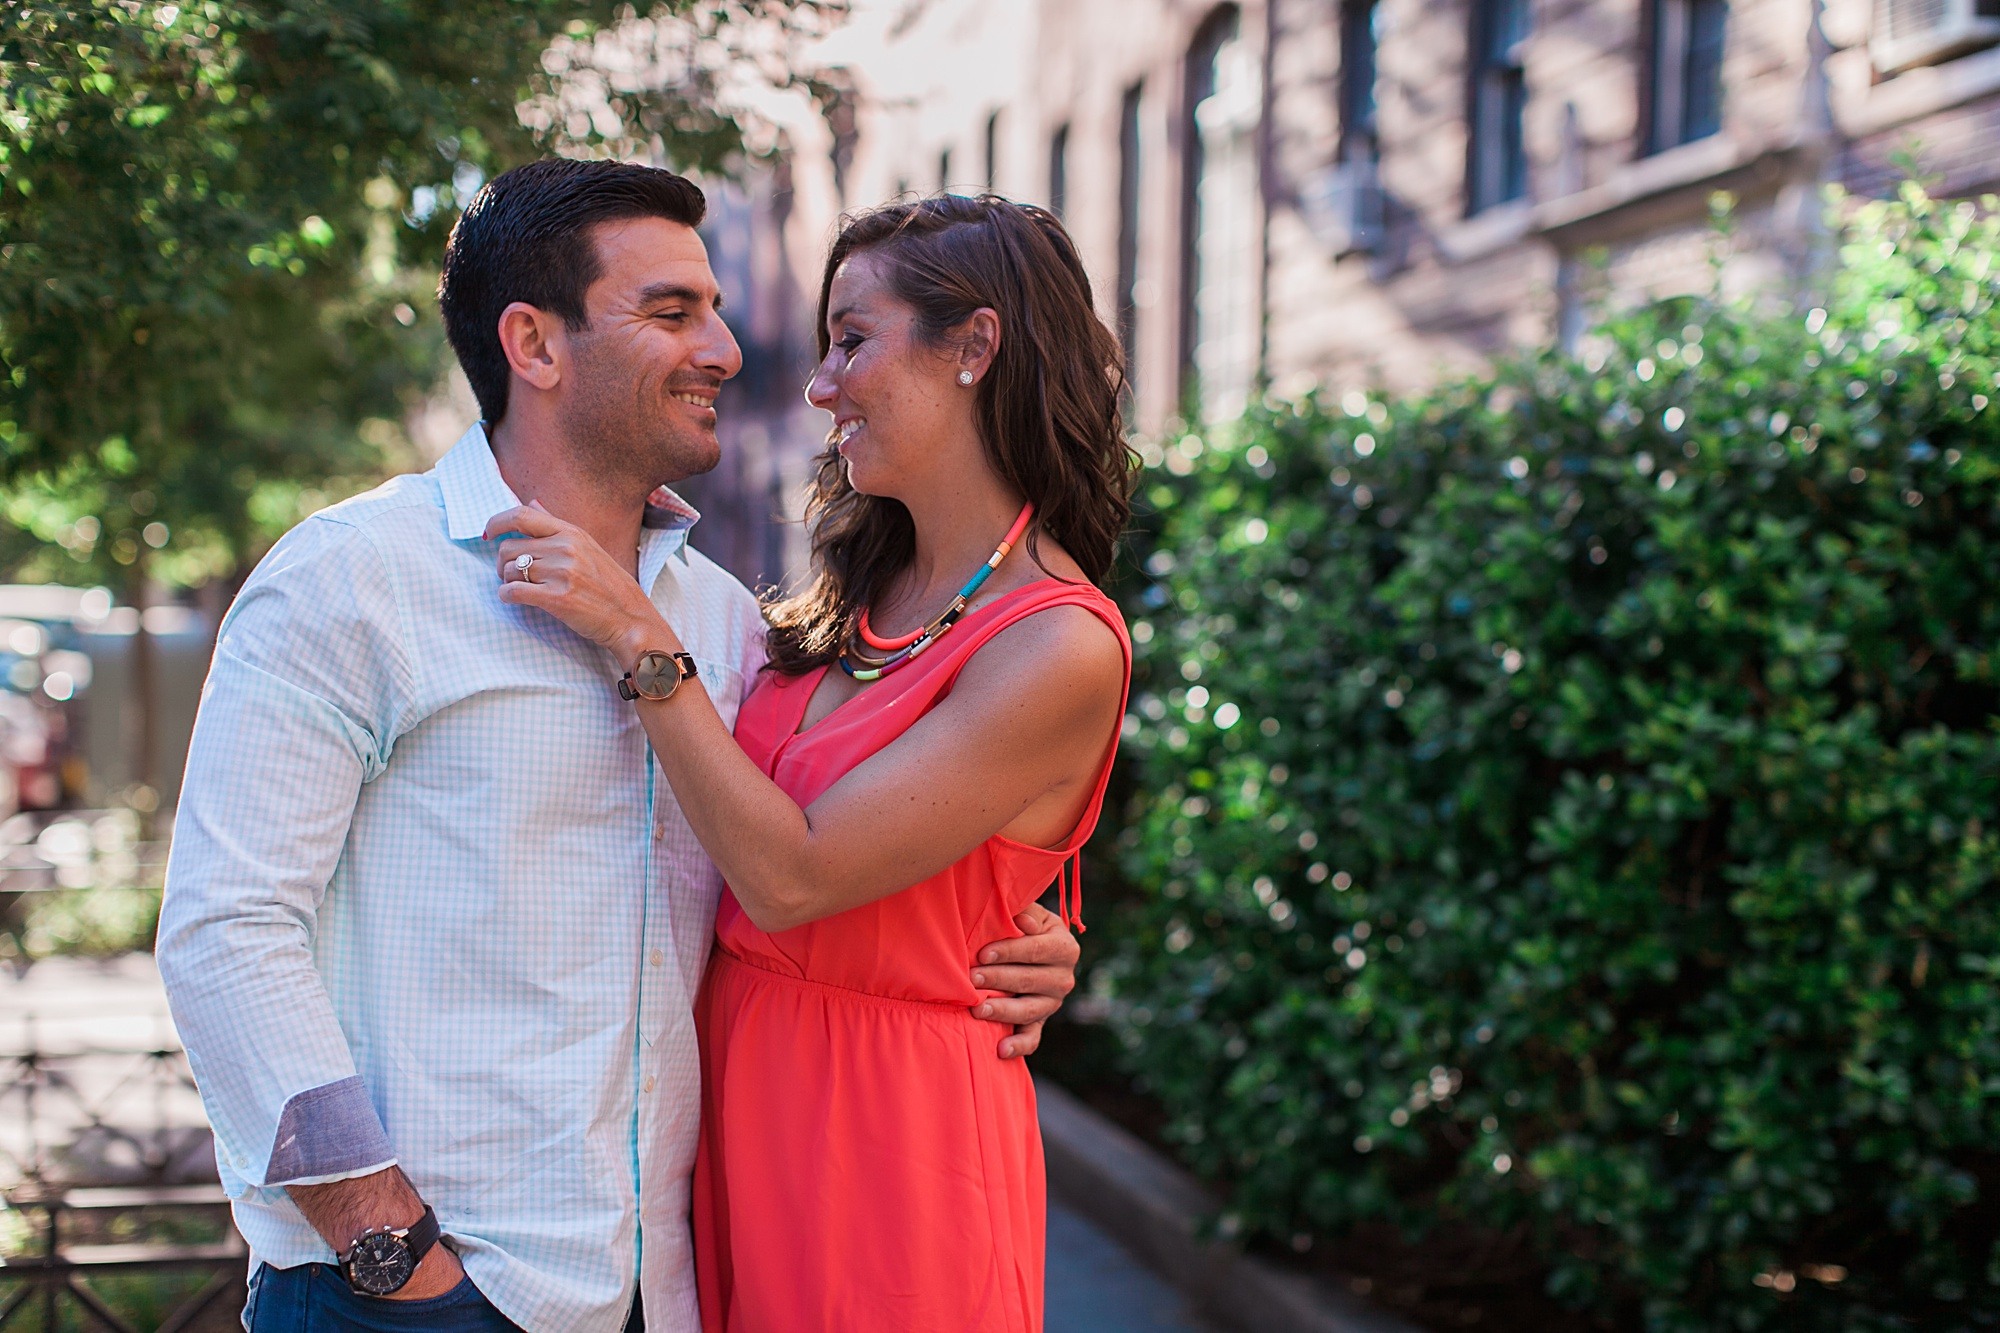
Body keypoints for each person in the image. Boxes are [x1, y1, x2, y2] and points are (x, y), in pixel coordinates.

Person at [155, 160, 1080, 1333]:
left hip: (662, 1287)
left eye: (716, 308)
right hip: (421, 1289)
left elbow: (804, 859)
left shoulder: (725, 627)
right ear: (534, 346)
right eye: (670, 312)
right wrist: (384, 1245)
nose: (730, 352)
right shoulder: (352, 579)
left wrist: (1006, 939)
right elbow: (224, 928)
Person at [488, 193, 1133, 1332]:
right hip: (733, 1114)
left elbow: (793, 877)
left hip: (889, 1148)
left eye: (851, 340)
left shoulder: (1056, 640)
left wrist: (639, 636)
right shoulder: (849, 598)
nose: (817, 382)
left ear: (973, 347)